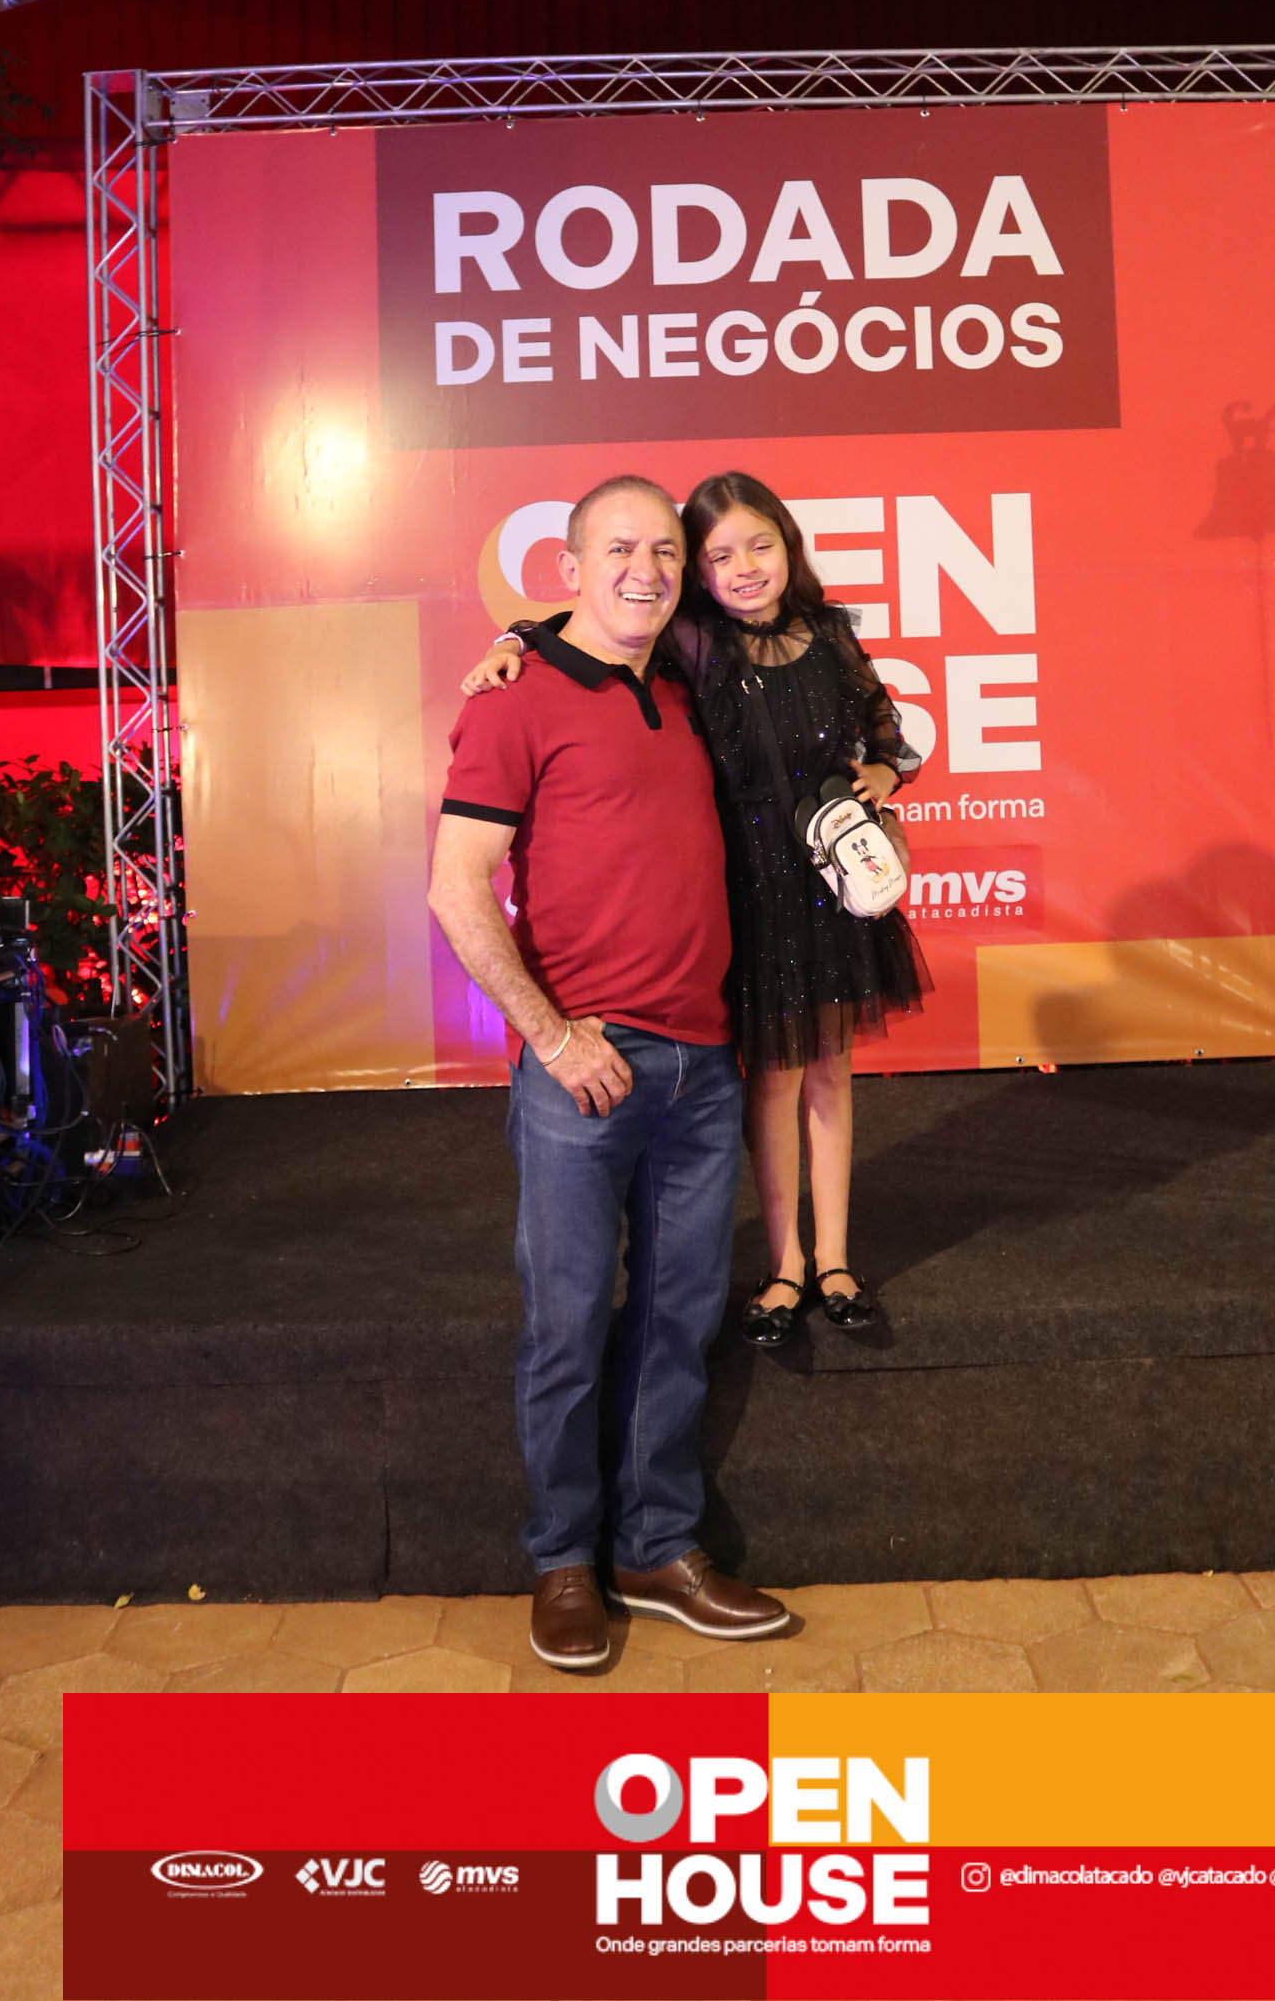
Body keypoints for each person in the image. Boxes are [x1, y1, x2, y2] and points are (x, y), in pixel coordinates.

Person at [429, 474, 790, 1671]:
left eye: (665, 553)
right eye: (620, 549)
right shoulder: (512, 701)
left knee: (678, 1319)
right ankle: (563, 1561)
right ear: (570, 566)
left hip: (702, 1065)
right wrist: (550, 1036)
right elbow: (454, 887)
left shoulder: (684, 688)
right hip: (584, 1064)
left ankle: (657, 1546)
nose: (647, 570)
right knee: (569, 1323)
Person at [465, 470, 929, 1354]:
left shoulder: (832, 635)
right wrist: (511, 639)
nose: (744, 567)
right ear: (697, 576)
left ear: (789, 546)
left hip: (829, 891)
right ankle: (784, 1264)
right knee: (774, 1079)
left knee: (831, 1075)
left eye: (761, 545)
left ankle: (835, 1260)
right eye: (717, 555)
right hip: (746, 897)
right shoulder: (694, 642)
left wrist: (881, 773)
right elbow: (586, 625)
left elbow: (886, 731)